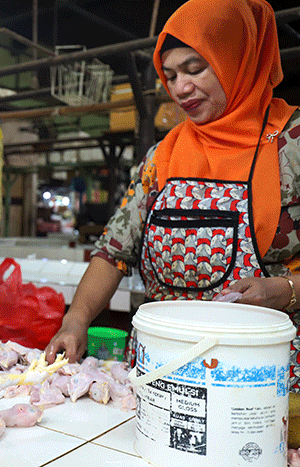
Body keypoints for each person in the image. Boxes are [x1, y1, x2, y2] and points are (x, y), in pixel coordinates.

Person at [45, 0, 300, 389]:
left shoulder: (291, 143)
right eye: (170, 75)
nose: (181, 88)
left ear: (235, 57)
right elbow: (112, 252)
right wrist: (76, 319)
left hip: (261, 376)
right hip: (162, 373)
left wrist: (285, 291)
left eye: (195, 69)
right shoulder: (162, 157)